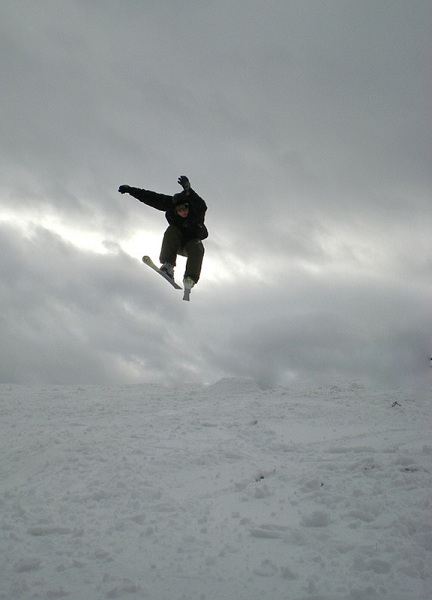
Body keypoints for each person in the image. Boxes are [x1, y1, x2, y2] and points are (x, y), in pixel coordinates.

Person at [118, 176, 207, 289]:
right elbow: (150, 197)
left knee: (197, 244)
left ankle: (190, 278)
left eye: (185, 208)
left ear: (188, 206)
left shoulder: (196, 211)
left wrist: (189, 192)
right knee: (172, 230)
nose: (183, 212)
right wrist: (130, 190)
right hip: (175, 244)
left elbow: (201, 205)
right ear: (175, 210)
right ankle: (168, 266)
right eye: (179, 210)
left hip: (191, 246)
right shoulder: (169, 204)